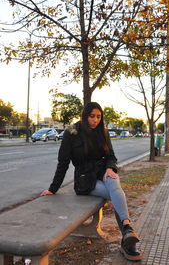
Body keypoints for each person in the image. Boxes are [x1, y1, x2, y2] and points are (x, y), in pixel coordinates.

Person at [41, 102, 141, 261]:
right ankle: (127, 240)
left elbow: (111, 156)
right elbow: (63, 163)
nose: (95, 120)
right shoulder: (71, 133)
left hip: (102, 172)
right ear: (85, 115)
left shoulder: (103, 132)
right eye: (92, 116)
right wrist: (53, 188)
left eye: (98, 117)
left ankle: (128, 229)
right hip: (84, 179)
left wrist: (110, 168)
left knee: (114, 181)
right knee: (116, 193)